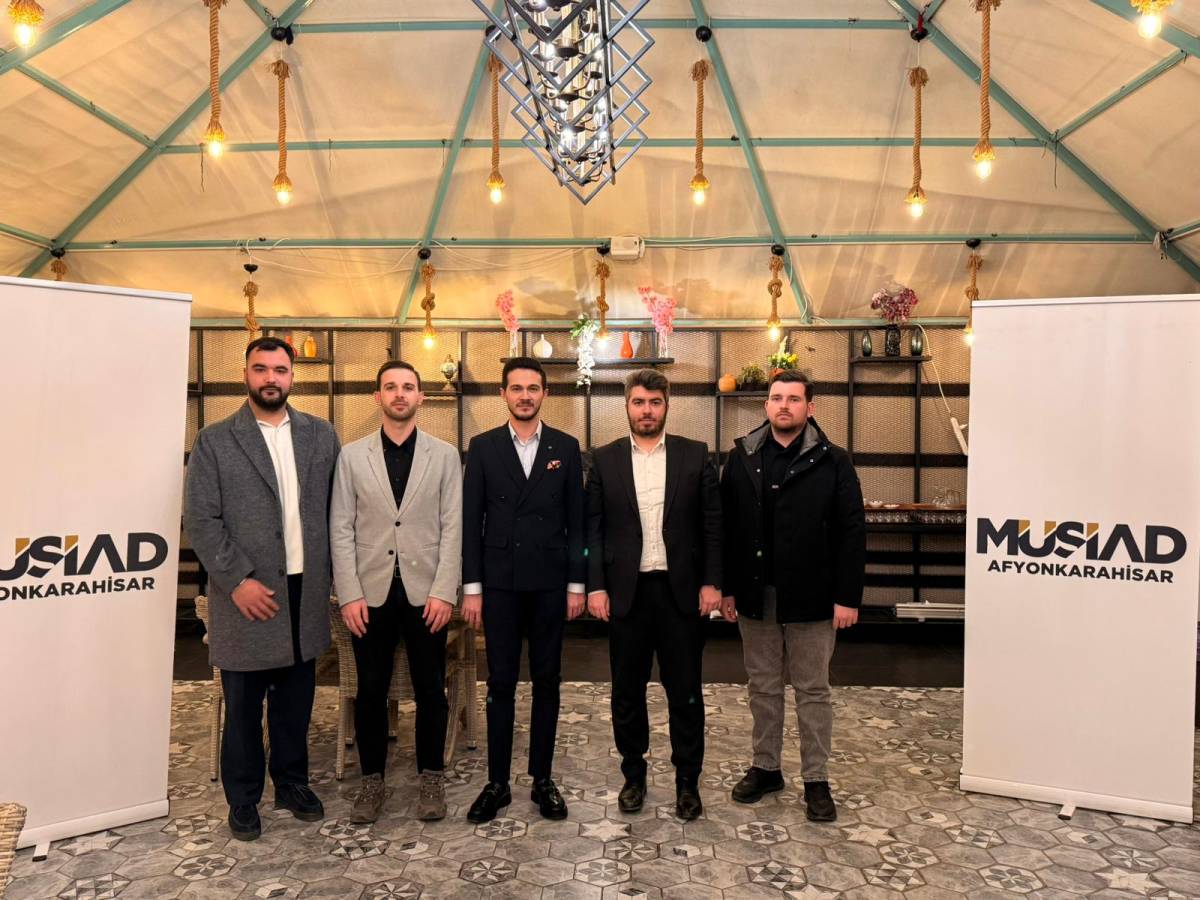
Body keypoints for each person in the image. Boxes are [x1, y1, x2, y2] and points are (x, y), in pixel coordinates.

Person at [185, 336, 341, 841]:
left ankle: (291, 784)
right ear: (246, 374)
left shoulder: (321, 435)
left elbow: (338, 510)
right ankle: (243, 798)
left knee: (296, 704)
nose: (271, 378)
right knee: (244, 708)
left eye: (280, 369)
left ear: (292, 376)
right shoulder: (215, 440)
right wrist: (237, 580)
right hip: (246, 595)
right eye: (261, 369)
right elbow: (202, 520)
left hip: (305, 591)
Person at [720, 369, 865, 823]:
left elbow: (851, 531)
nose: (784, 405)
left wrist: (847, 597)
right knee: (762, 687)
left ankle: (816, 780)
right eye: (777, 398)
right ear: (766, 405)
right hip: (756, 594)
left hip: (814, 596)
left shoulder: (834, 460)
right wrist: (727, 588)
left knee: (813, 690)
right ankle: (766, 768)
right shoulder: (741, 456)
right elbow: (726, 527)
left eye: (794, 399)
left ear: (810, 407)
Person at [585, 369, 722, 821]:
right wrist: (596, 585)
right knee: (627, 693)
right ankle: (634, 775)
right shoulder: (604, 459)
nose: (647, 411)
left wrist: (712, 582)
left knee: (685, 693)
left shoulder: (694, 454)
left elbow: (712, 523)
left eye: (655, 402)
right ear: (627, 406)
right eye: (639, 402)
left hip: (681, 595)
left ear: (667, 405)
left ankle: (687, 782)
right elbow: (593, 528)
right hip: (627, 595)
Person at [329, 360, 462, 824]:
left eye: (408, 386)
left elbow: (453, 527)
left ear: (421, 397)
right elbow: (340, 528)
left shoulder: (445, 456)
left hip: (428, 594)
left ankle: (431, 777)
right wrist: (349, 594)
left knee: (431, 690)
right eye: (391, 387)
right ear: (378, 397)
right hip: (370, 593)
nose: (400, 394)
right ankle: (372, 781)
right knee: (369, 691)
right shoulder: (352, 456)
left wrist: (445, 591)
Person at [460, 357, 586, 823]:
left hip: (551, 583)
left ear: (544, 394)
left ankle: (542, 779)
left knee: (548, 681)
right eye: (517, 388)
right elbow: (471, 522)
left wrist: (577, 583)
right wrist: (472, 587)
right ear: (504, 394)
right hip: (500, 585)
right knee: (500, 683)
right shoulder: (483, 447)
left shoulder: (566, 447)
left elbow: (577, 522)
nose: (525, 396)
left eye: (533, 388)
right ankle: (497, 782)